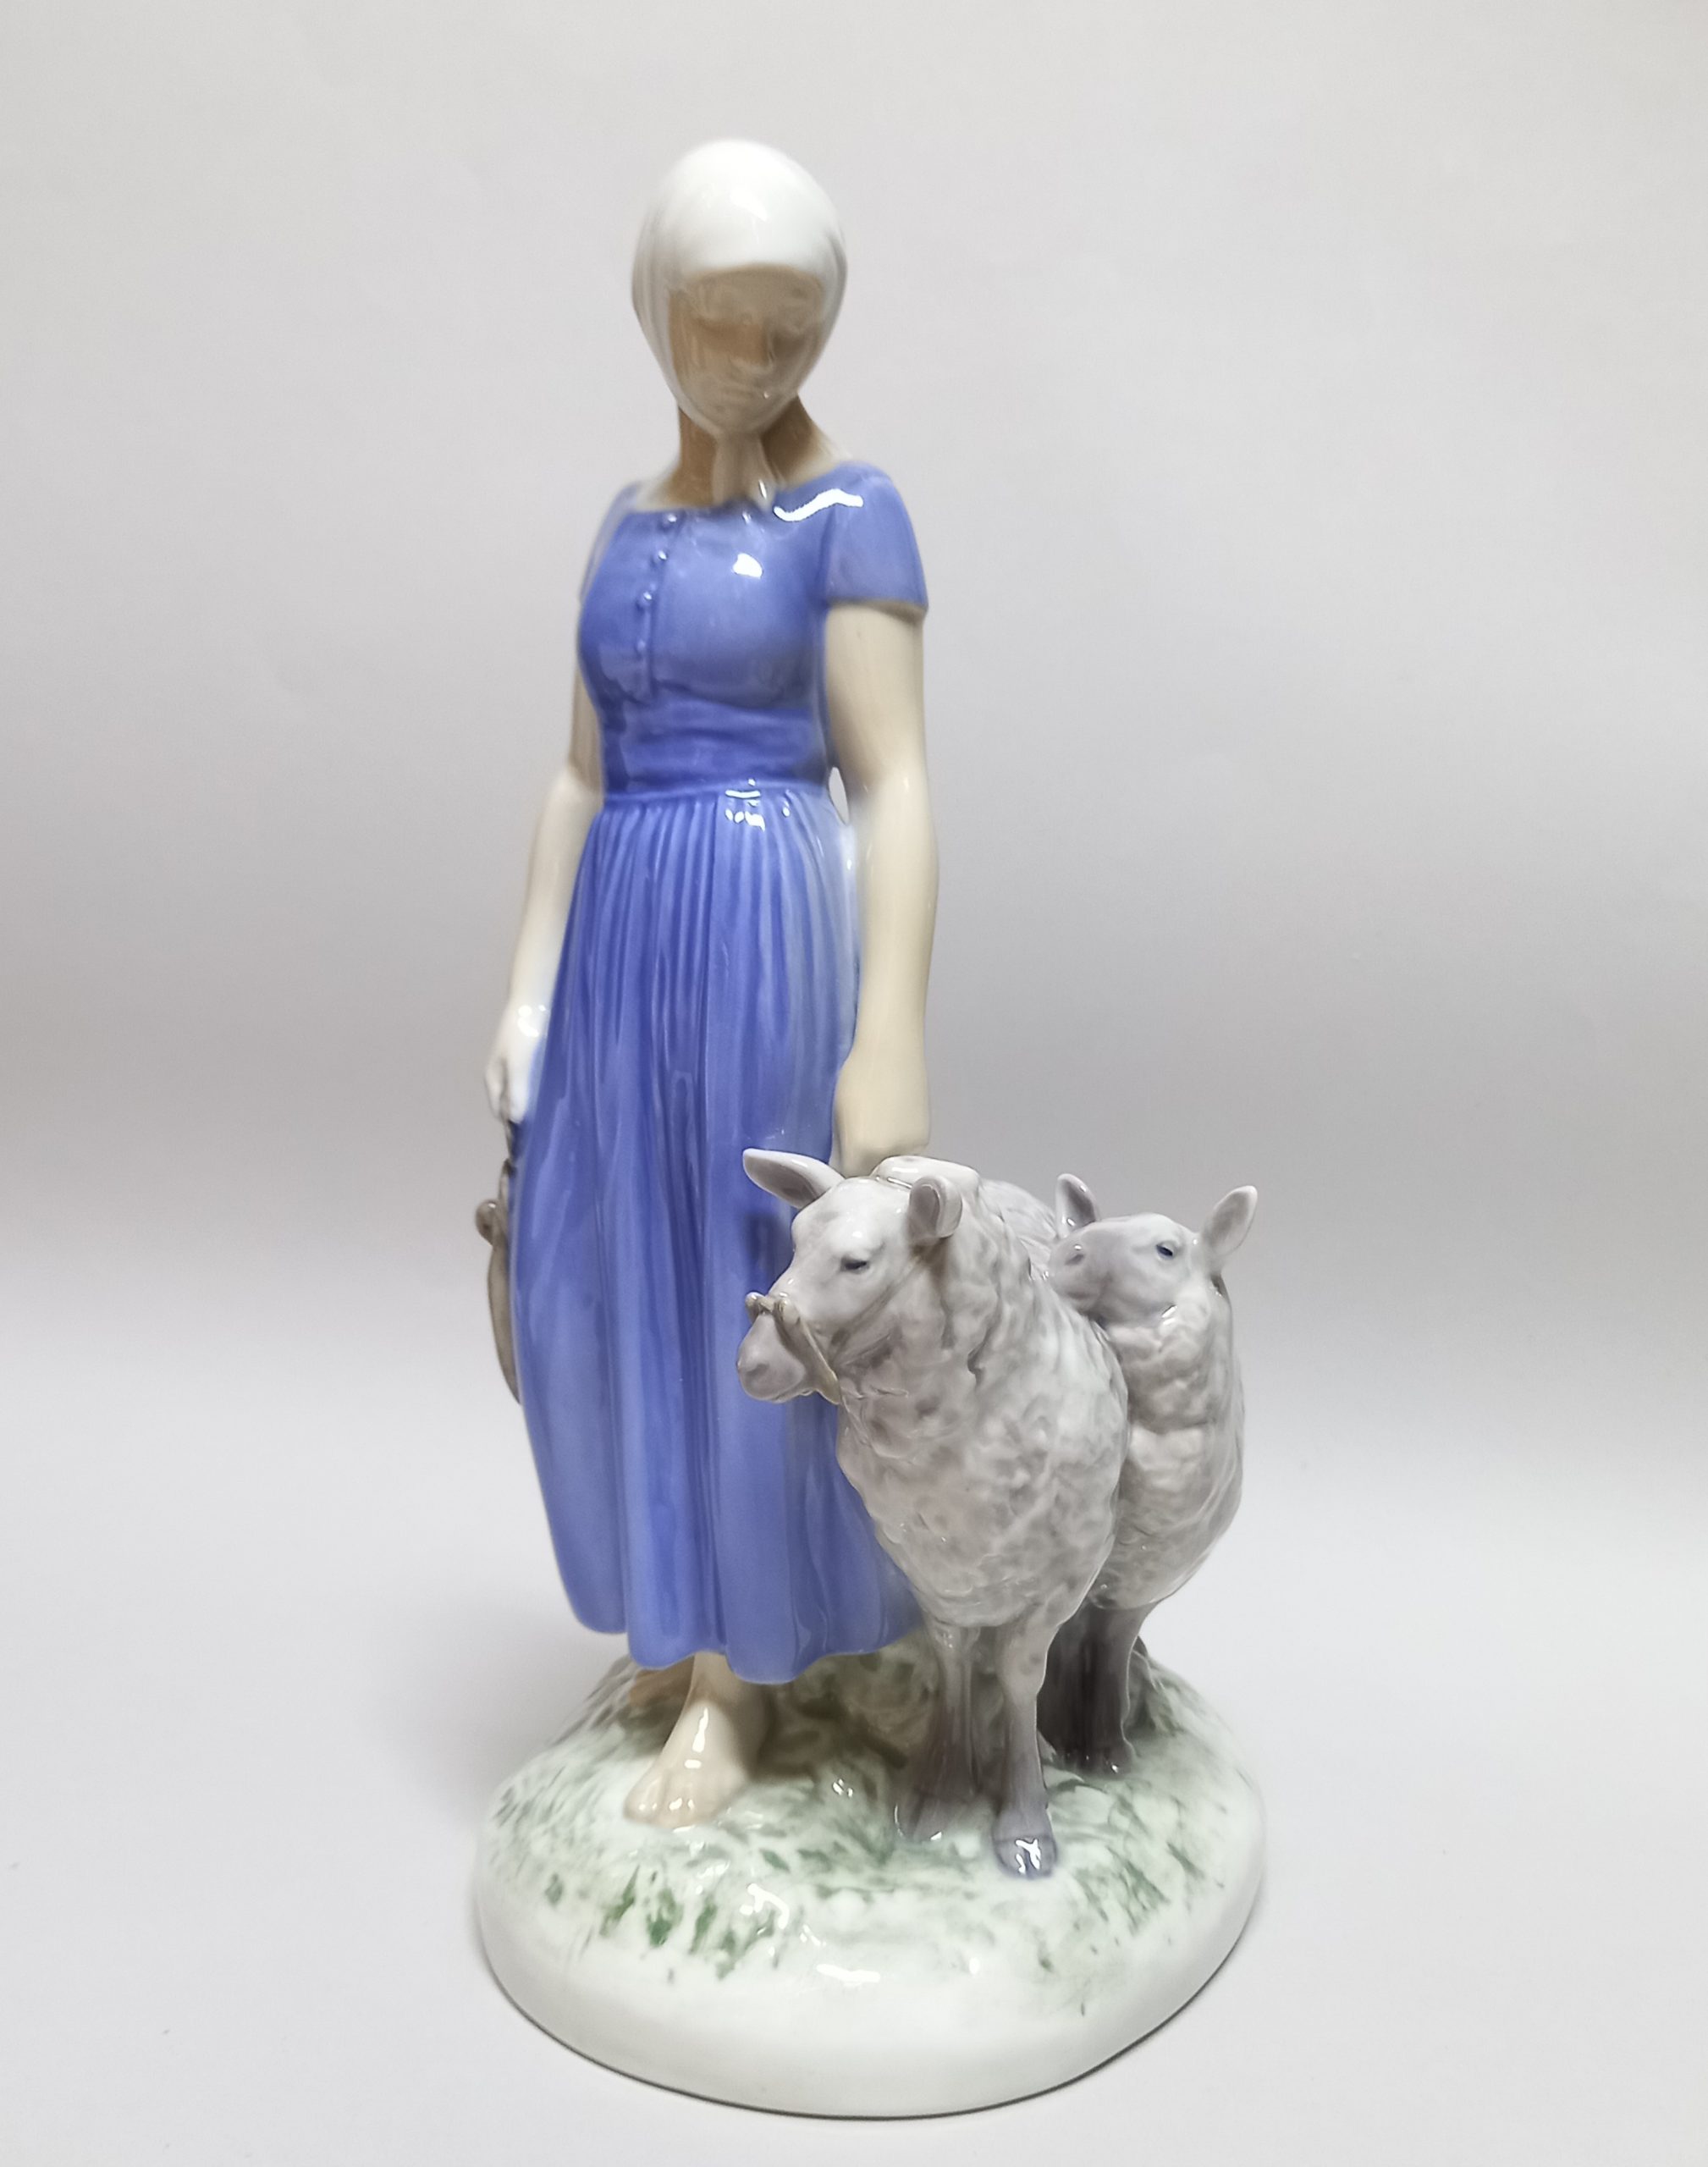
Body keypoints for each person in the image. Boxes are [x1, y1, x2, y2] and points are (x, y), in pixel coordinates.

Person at [486, 142, 939, 1826]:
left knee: (743, 1285)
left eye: (787, 327)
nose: (750, 362)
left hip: (758, 921)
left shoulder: (849, 513)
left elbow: (893, 780)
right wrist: (528, 992)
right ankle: (675, 1617)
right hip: (621, 936)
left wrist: (887, 1027)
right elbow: (578, 772)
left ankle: (745, 1670)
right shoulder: (625, 522)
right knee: (602, 1276)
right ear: (653, 311)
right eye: (716, 321)